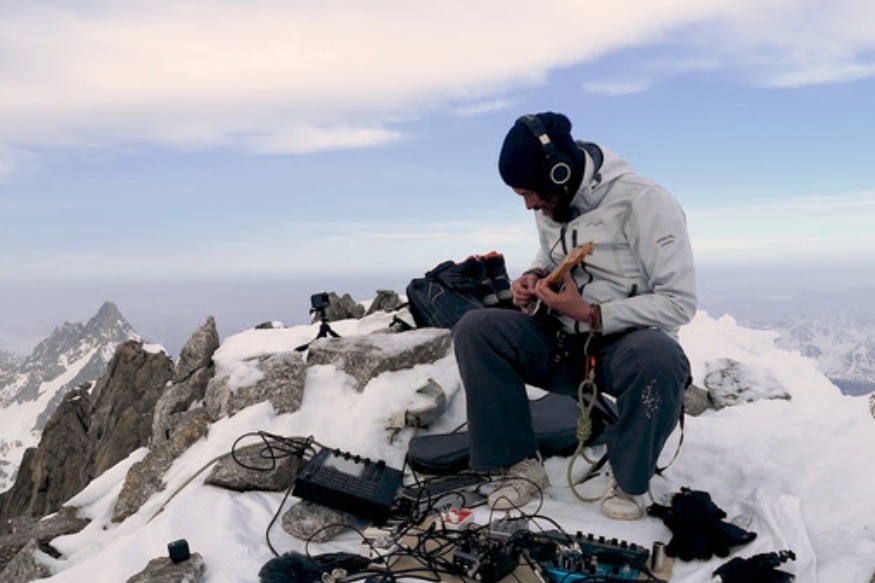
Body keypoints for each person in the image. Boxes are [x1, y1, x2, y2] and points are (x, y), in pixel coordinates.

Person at [452, 112, 696, 520]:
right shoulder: (553, 199)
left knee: (661, 358)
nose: (529, 205)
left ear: (560, 172)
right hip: (564, 341)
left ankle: (629, 477)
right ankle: (519, 465)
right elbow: (550, 254)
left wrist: (592, 313)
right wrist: (532, 277)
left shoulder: (646, 202)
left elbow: (679, 301)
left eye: (531, 193)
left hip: (625, 350)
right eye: (521, 196)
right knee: (477, 329)